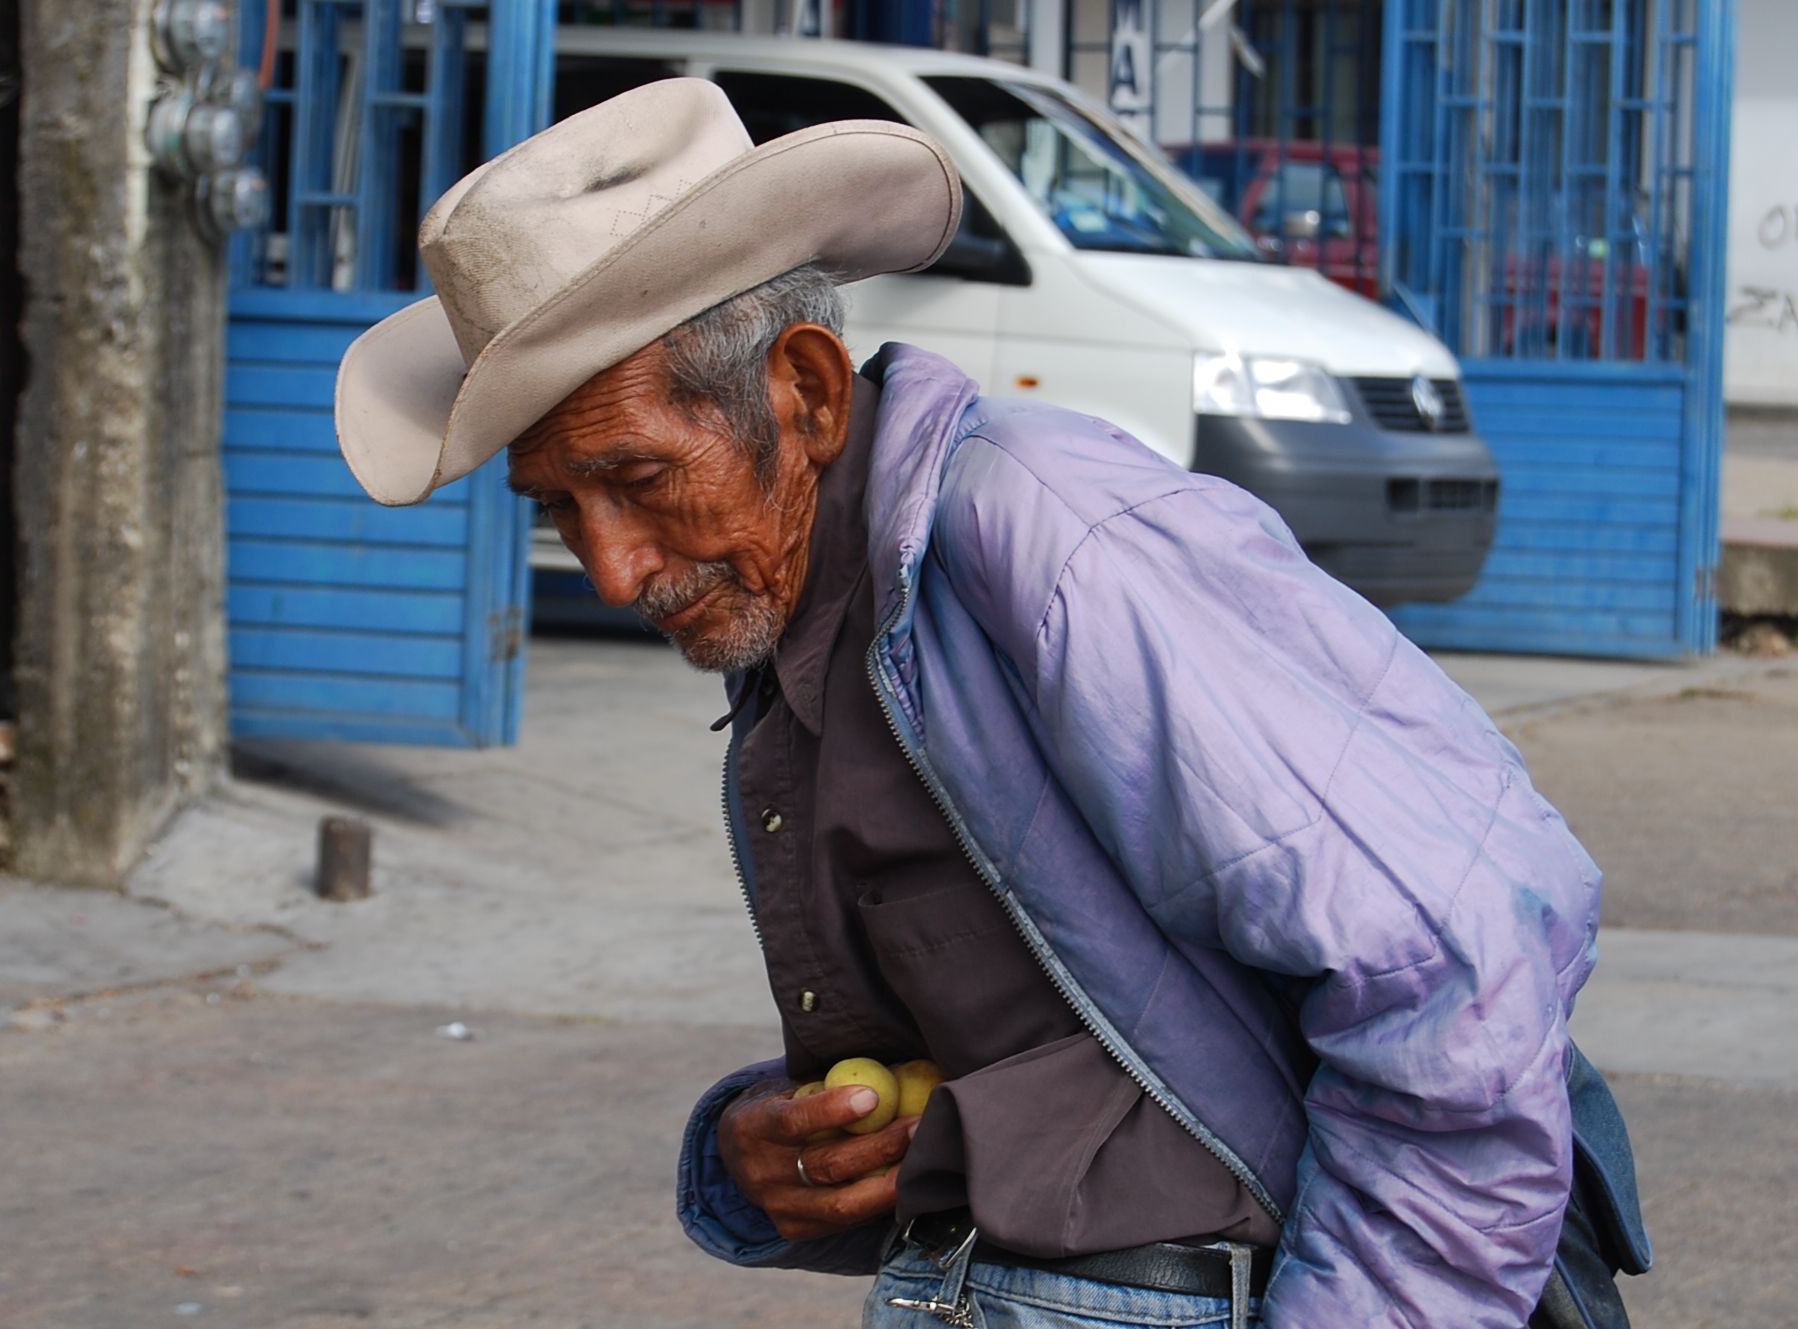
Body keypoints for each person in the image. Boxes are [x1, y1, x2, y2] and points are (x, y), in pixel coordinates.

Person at [334, 78, 1603, 1329]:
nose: (610, 568)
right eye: (560, 508)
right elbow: (1055, 1042)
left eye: (638, 480)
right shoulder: (816, 622)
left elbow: (1453, 963)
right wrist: (751, 1157)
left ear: (808, 394)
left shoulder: (1055, 543)